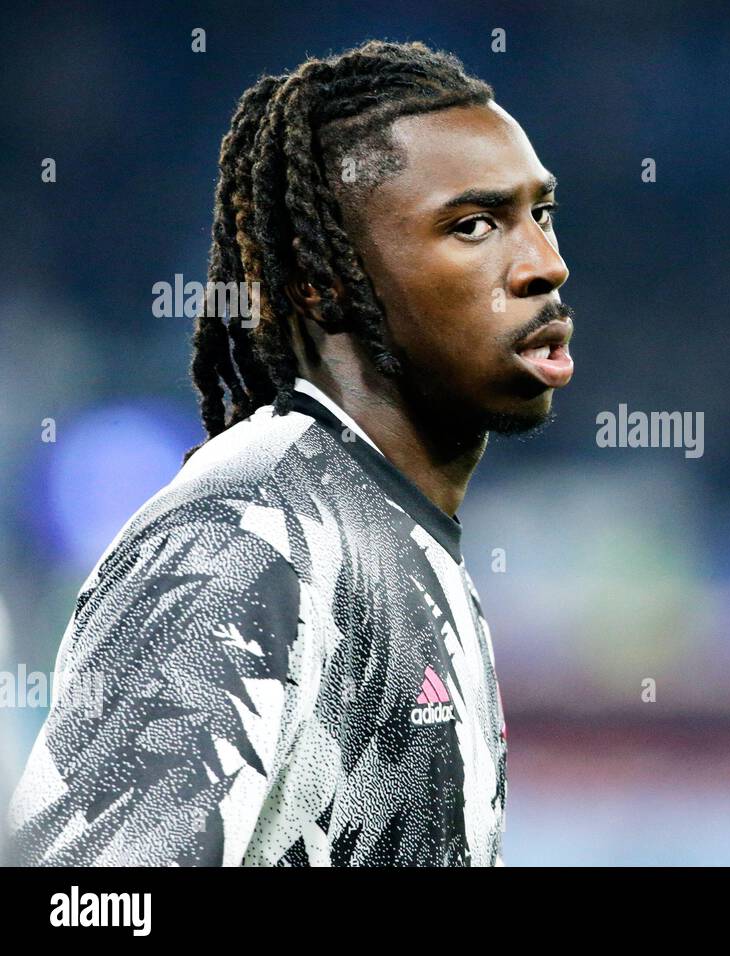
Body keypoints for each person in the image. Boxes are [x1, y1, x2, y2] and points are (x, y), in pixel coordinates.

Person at [6, 39, 573, 866]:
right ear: (321, 280)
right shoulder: (245, 538)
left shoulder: (390, 533)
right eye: (475, 225)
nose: (544, 265)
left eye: (541, 215)